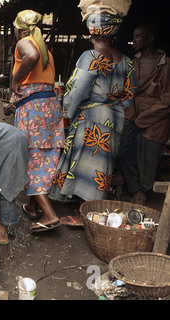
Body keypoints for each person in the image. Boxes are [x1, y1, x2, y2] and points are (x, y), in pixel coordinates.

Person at [49, 12, 139, 226]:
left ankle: (84, 215)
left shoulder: (91, 56)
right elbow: (131, 92)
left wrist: (67, 113)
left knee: (87, 165)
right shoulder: (126, 61)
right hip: (114, 118)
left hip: (92, 117)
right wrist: (116, 108)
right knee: (102, 167)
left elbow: (77, 90)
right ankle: (88, 211)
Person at [10, 10, 65, 232]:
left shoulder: (25, 43)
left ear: (20, 29)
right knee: (43, 155)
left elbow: (31, 57)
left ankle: (50, 215)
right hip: (50, 107)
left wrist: (15, 79)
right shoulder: (45, 49)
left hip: (33, 109)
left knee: (31, 158)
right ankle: (33, 208)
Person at [117, 24, 170, 206]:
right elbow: (128, 91)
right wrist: (131, 115)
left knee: (148, 158)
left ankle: (143, 192)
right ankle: (136, 189)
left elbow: (167, 100)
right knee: (124, 152)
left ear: (151, 38)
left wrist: (144, 117)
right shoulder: (134, 62)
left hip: (156, 119)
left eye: (140, 36)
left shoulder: (165, 64)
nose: (136, 40)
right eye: (134, 36)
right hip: (134, 115)